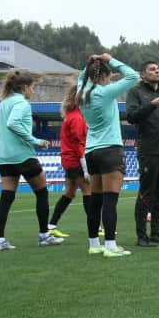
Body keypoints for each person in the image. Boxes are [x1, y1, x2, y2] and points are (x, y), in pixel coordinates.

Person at [78, 53, 140, 256]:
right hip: (110, 149)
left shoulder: (81, 92)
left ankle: (94, 244)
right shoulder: (105, 92)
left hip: (91, 151)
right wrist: (110, 59)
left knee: (95, 200)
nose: (111, 79)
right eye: (109, 75)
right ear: (103, 76)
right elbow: (133, 76)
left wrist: (90, 64)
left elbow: (81, 77)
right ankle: (111, 246)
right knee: (110, 200)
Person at [0, 71, 61, 251]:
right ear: (24, 88)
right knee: (42, 193)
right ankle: (44, 235)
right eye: (32, 87)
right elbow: (13, 123)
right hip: (22, 156)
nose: (33, 91)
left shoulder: (3, 104)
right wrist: (36, 141)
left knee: (6, 197)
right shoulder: (22, 103)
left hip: (4, 157)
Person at [125, 60, 159, 247]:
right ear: (143, 74)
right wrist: (151, 104)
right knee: (146, 192)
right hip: (149, 150)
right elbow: (131, 117)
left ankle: (156, 233)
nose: (157, 71)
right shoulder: (135, 92)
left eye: (158, 68)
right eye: (152, 69)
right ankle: (141, 236)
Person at [46, 82, 90, 238]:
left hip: (68, 160)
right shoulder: (77, 117)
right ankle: (96, 227)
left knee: (69, 193)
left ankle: (51, 225)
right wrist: (85, 167)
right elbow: (79, 143)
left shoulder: (71, 115)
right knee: (88, 192)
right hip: (75, 160)